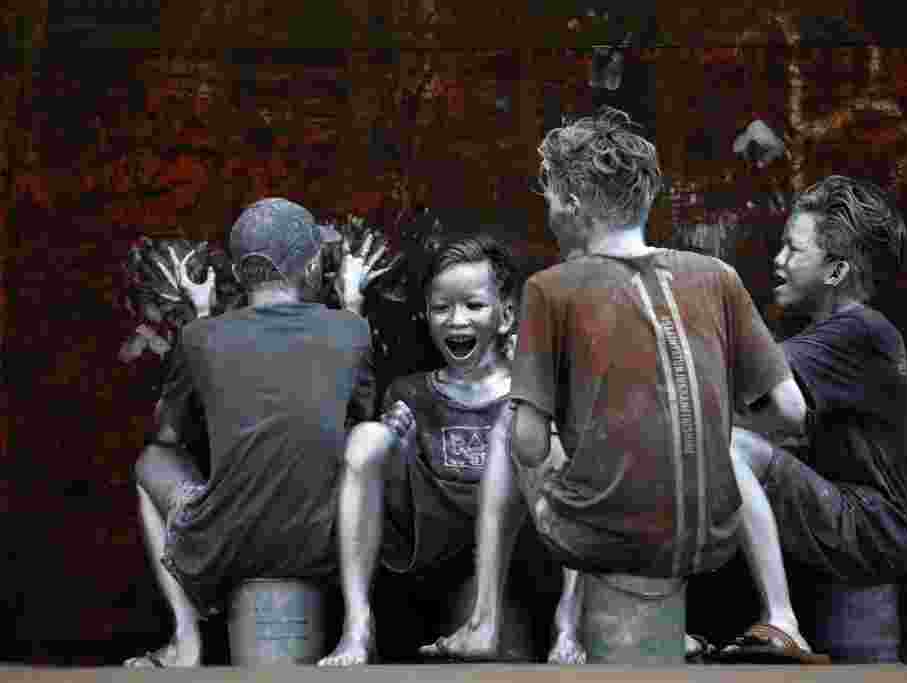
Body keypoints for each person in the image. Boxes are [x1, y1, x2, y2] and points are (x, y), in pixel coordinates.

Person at [429, 106, 830, 664]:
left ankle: (490, 623)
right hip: (709, 537)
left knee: (510, 425)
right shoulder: (718, 276)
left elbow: (527, 444)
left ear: (571, 202)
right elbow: (790, 413)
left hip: (599, 535)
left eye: (549, 194)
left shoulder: (550, 289)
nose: (547, 207)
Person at [124, 197, 392, 667]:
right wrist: (352, 301)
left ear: (236, 271)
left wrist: (201, 316)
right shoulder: (351, 330)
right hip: (324, 536)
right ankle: (356, 627)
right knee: (367, 438)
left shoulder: (200, 336)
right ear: (312, 265)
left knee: (149, 462)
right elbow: (359, 414)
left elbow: (168, 436)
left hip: (225, 539)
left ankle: (186, 638)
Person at [719, 176, 907, 658]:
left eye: (793, 249)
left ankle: (780, 618)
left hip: (869, 526)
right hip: (854, 527)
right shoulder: (838, 336)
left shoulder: (857, 330)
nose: (779, 260)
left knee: (728, 447)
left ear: (836, 271)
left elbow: (745, 377)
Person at [318, 234, 532, 666]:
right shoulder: (410, 393)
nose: (456, 321)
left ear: (506, 315)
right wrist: (401, 451)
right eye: (441, 308)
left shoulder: (528, 392)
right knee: (367, 437)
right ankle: (358, 626)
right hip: (425, 552)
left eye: (473, 306)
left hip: (522, 556)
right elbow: (389, 482)